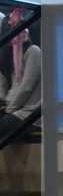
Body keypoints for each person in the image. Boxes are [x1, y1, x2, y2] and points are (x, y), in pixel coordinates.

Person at [0, 8, 41, 141]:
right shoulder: (10, 58)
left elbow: (26, 87)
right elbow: (6, 89)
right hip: (14, 110)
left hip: (28, 114)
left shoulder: (33, 51)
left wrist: (9, 109)